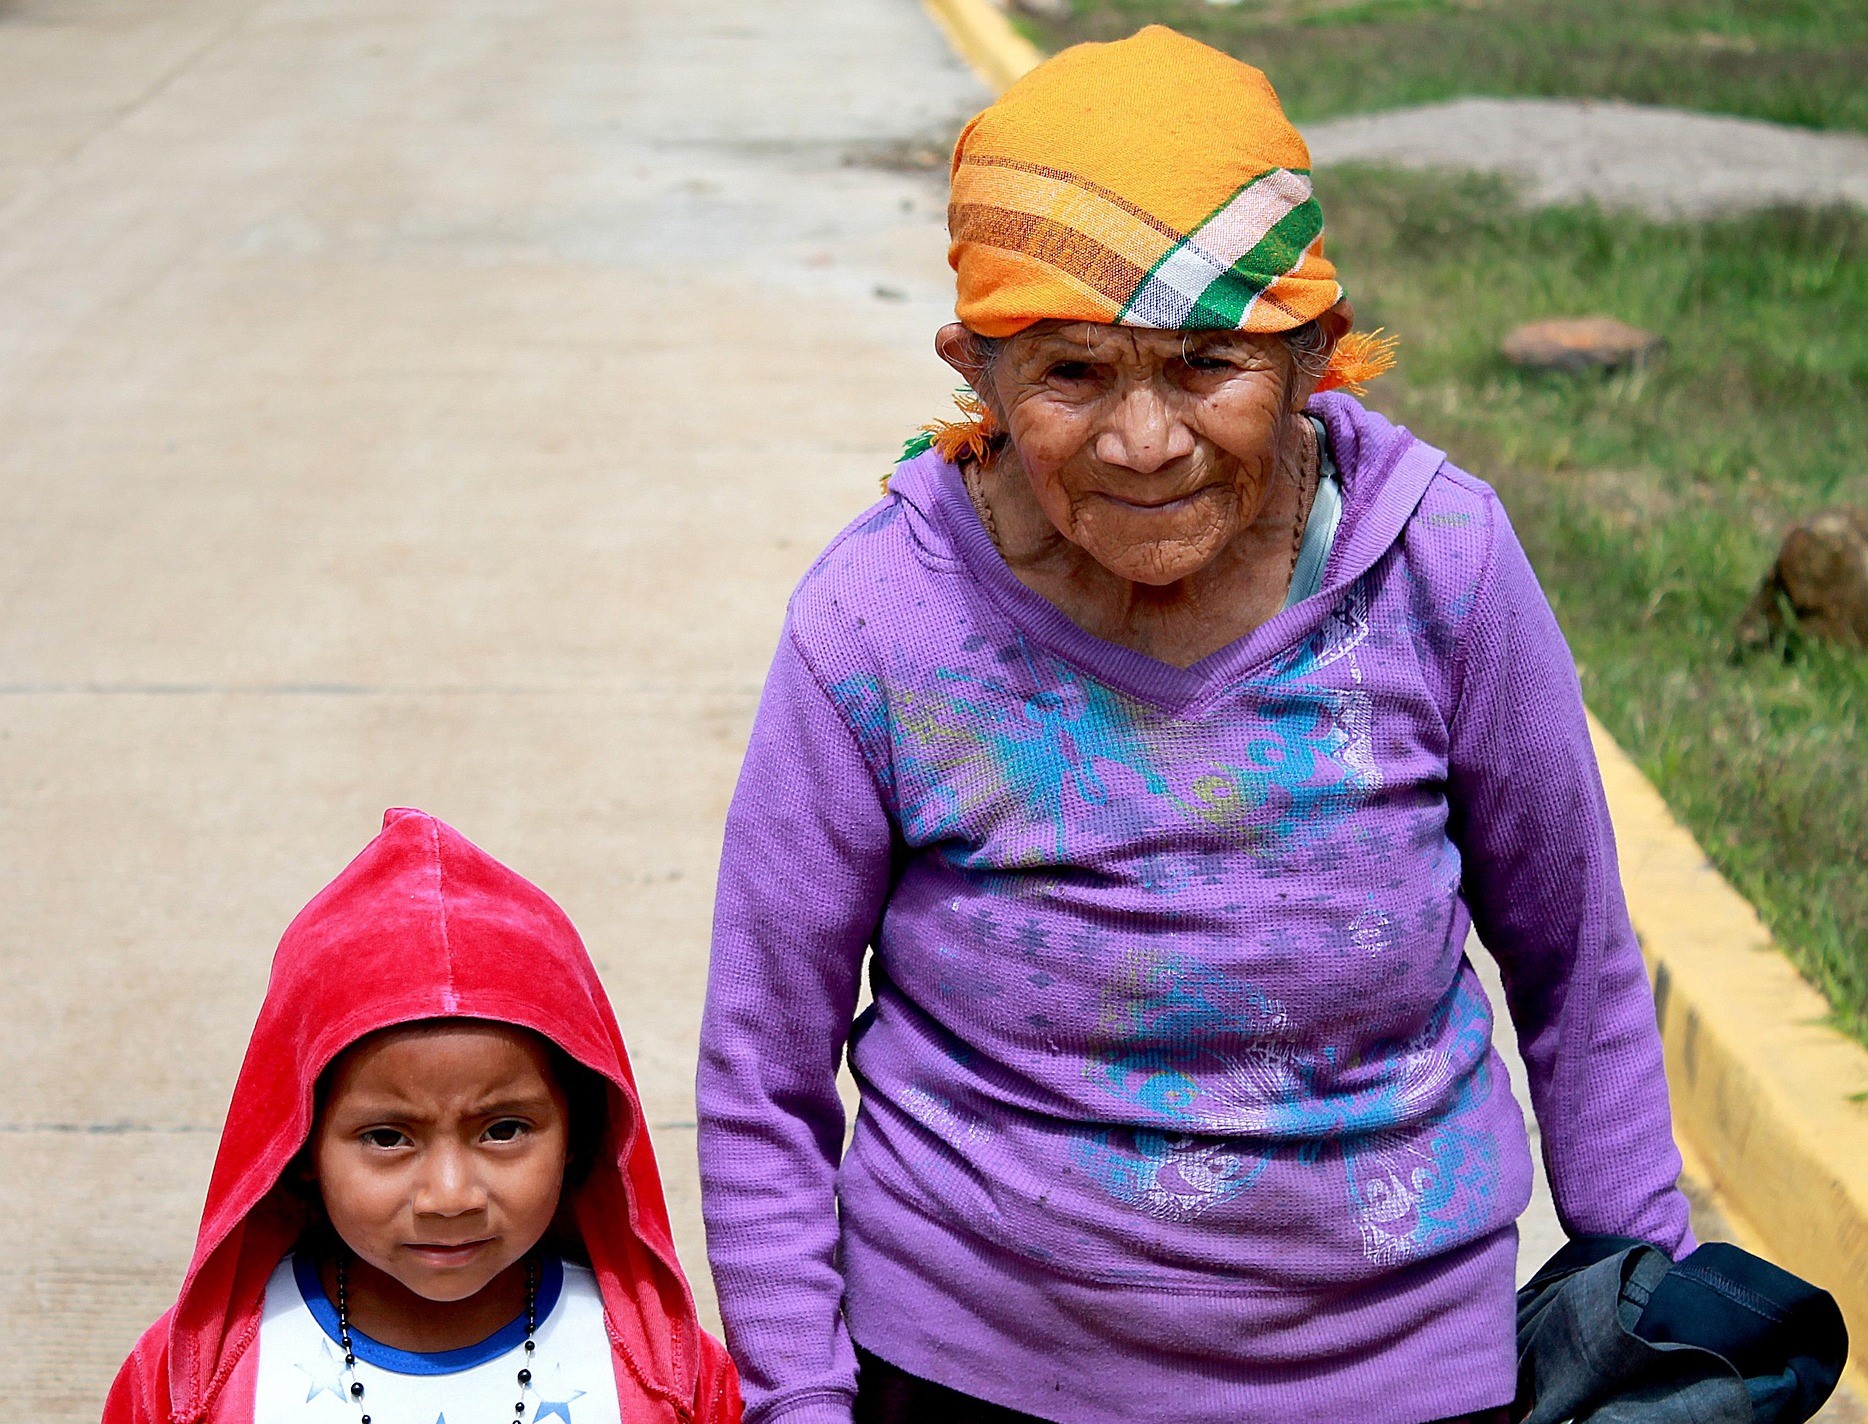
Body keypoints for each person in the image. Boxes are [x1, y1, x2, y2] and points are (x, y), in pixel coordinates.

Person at [696, 25, 1693, 1424]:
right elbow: (761, 1069)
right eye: (1073, 374)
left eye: (1208, 364)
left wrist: (1652, 1308)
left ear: (1315, 362)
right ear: (974, 375)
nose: (1144, 441)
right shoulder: (879, 620)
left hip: (1400, 1383)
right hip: (970, 1375)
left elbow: (1575, 964)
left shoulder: (1442, 567)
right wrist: (799, 1402)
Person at [106, 808, 740, 1424]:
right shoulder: (198, 1387)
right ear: (297, 1149)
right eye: (387, 1138)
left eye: (502, 1130)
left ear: (580, 1135)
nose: (448, 1196)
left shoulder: (665, 1383)